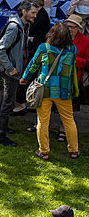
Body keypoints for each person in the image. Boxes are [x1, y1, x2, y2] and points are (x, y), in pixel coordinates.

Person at [23, 22, 80, 160]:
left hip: (45, 89)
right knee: (68, 120)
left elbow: (33, 64)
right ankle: (74, 150)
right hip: (64, 90)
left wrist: (24, 78)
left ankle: (43, 151)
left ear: (51, 34)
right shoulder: (72, 49)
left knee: (43, 121)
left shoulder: (44, 48)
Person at [0, 0, 39, 146]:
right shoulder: (15, 27)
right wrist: (10, 68)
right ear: (24, 11)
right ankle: (0, 136)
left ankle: (1, 126)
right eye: (33, 13)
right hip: (12, 72)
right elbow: (0, 49)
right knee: (8, 103)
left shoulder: (24, 25)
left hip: (16, 70)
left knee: (7, 101)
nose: (35, 16)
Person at [66, 15, 89, 112]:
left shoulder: (85, 41)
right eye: (67, 26)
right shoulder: (60, 36)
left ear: (78, 28)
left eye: (72, 27)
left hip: (73, 78)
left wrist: (75, 60)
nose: (69, 29)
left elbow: (87, 62)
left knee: (68, 107)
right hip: (56, 76)